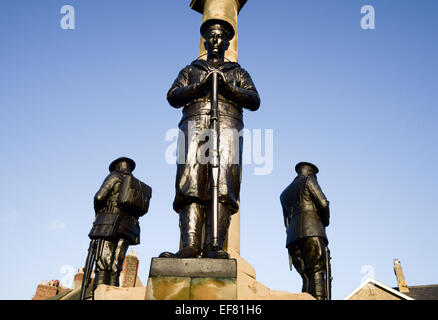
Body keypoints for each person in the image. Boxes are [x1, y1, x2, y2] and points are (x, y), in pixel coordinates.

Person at [160, 18, 260, 259]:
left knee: (224, 181)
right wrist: (198, 87)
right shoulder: (191, 70)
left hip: (228, 122)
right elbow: (172, 96)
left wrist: (229, 88)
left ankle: (214, 245)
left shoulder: (237, 72)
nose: (215, 40)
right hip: (194, 121)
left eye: (220, 37)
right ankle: (190, 245)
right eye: (211, 36)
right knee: (191, 181)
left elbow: (254, 100)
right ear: (205, 40)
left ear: (227, 43)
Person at [90, 157, 151, 288]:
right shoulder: (136, 183)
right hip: (129, 228)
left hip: (109, 222)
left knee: (102, 264)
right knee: (116, 268)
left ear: (117, 166)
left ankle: (99, 294)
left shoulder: (115, 176)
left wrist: (98, 213)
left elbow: (99, 197)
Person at [280, 162, 330, 300]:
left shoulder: (284, 193)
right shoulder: (309, 181)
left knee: (305, 276)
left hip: (292, 237)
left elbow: (286, 222)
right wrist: (325, 222)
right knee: (317, 270)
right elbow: (324, 203)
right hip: (312, 230)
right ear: (310, 172)